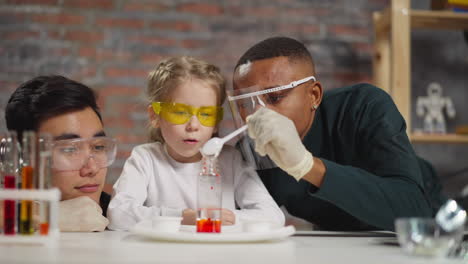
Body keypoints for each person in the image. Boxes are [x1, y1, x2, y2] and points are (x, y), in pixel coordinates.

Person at [229, 36, 446, 231]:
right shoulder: (253, 150)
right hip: (339, 235)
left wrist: (305, 165)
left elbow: (414, 209)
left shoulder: (364, 106)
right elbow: (235, 219)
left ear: (314, 95)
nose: (257, 114)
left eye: (275, 97)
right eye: (245, 104)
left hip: (427, 220)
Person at [107, 56, 284, 231]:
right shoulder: (145, 159)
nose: (193, 126)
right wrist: (183, 218)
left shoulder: (231, 160)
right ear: (155, 116)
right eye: (179, 113)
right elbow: (118, 215)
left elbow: (273, 217)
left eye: (206, 114)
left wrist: (225, 218)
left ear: (216, 121)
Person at [4, 75, 115, 232]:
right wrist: (46, 216)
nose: (92, 168)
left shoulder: (123, 216)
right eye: (70, 149)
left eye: (98, 147)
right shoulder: (8, 204)